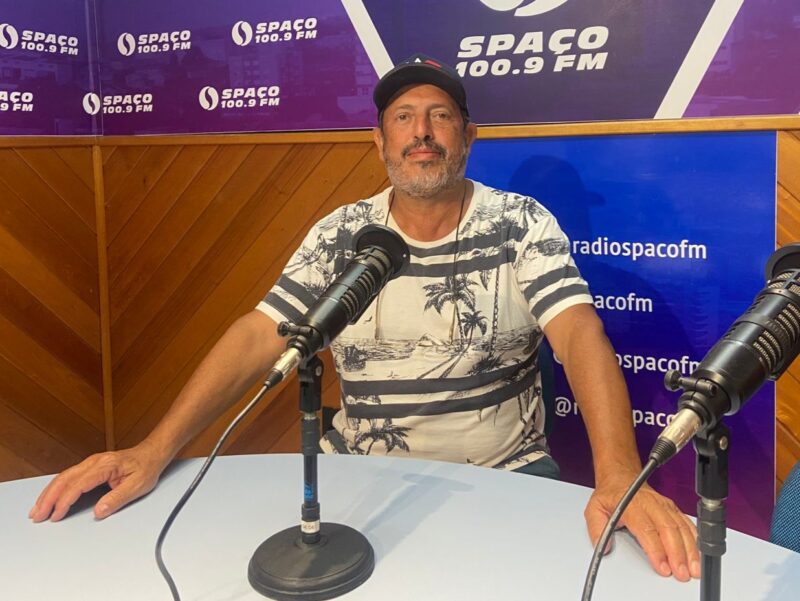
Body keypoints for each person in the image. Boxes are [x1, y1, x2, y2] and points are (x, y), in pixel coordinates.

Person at [29, 54, 699, 582]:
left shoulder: (520, 222)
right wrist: (153, 450)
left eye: (439, 116)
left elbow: (579, 334)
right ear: (379, 141)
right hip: (356, 481)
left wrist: (619, 474)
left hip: (504, 476)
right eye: (404, 117)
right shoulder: (340, 234)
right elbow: (260, 334)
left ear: (468, 137)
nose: (422, 132)